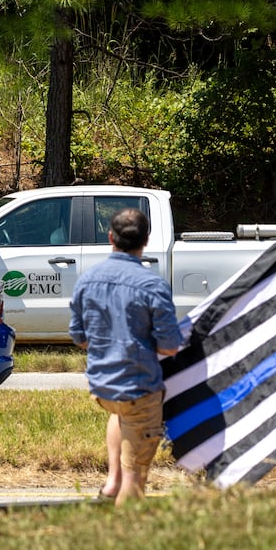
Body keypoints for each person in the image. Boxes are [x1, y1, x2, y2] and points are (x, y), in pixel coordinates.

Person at [68, 206, 183, 505]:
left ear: (111, 238)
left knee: (120, 413)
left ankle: (111, 483)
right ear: (146, 240)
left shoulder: (87, 279)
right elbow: (170, 346)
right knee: (137, 477)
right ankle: (124, 535)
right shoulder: (152, 285)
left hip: (103, 388)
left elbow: (79, 337)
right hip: (139, 390)